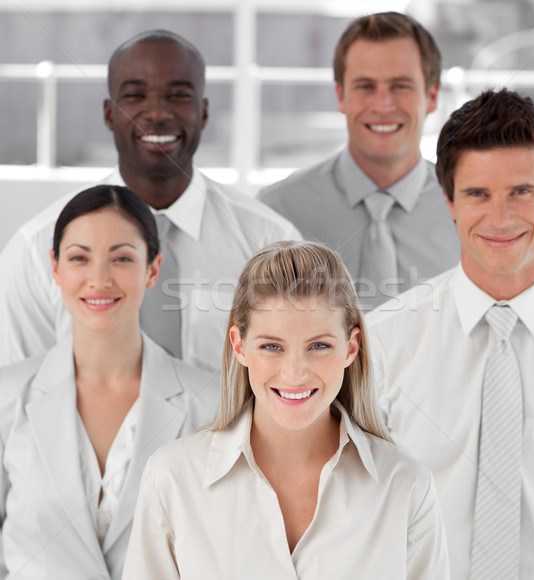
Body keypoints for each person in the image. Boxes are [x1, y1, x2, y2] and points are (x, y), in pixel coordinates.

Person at [367, 89, 534, 579]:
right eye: (477, 194)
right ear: (449, 201)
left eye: (522, 191)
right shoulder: (381, 343)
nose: (500, 218)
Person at [122, 241, 450, 579]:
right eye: (272, 346)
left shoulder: (406, 485)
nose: (295, 373)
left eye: (319, 346)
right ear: (240, 346)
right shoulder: (173, 477)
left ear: (351, 348)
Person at [0, 29, 300, 371]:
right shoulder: (36, 249)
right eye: (135, 95)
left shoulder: (270, 243)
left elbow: (294, 375)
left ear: (203, 113)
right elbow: (20, 398)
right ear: (109, 114)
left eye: (177, 95)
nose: (157, 113)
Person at [0, 185, 219, 580]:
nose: (99, 279)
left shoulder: (211, 403)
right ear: (55, 268)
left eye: (121, 258)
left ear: (153, 269)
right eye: (79, 258)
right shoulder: (7, 397)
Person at [258, 12, 459, 310]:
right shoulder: (276, 212)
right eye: (365, 86)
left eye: (400, 86)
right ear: (341, 96)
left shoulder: (470, 212)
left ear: (431, 96)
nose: (383, 105)